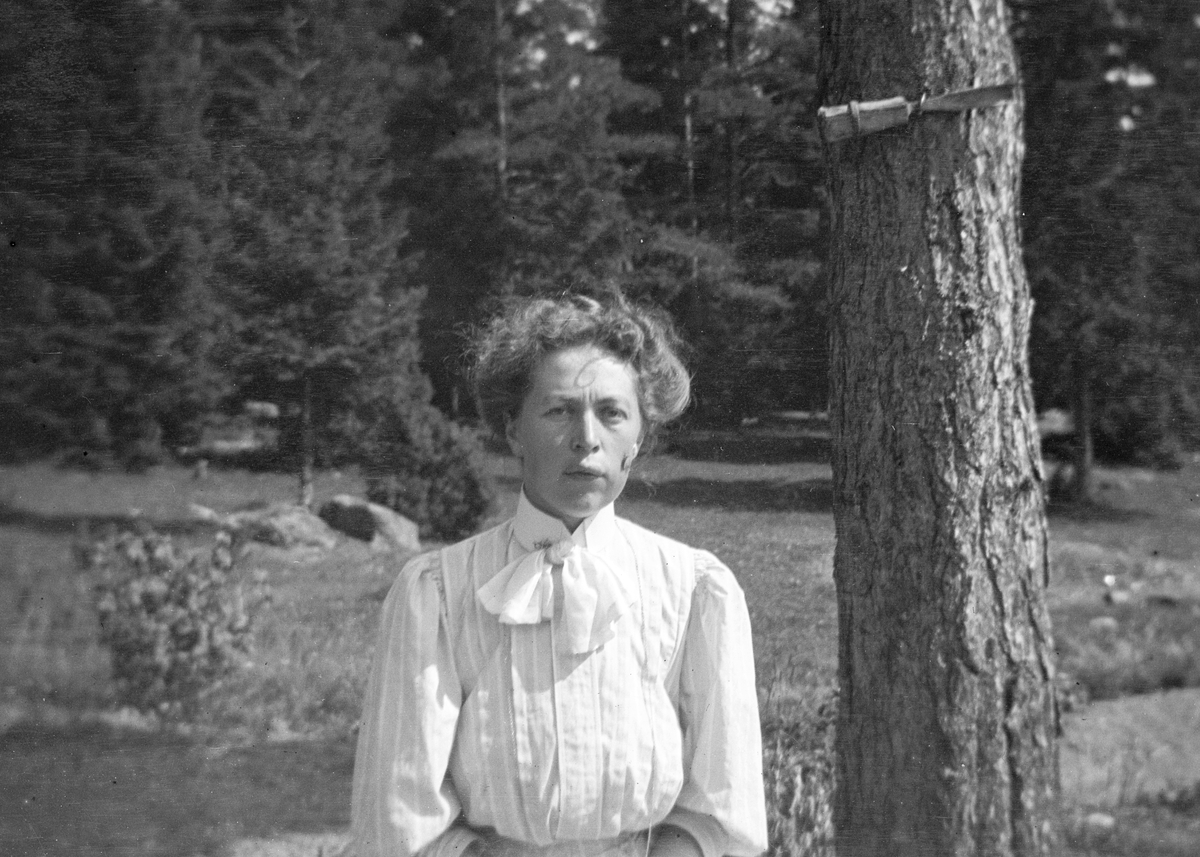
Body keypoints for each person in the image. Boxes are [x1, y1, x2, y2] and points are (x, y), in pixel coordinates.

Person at [351, 294, 767, 857]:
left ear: (638, 439)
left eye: (612, 413)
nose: (586, 437)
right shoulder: (439, 591)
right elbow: (400, 814)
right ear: (513, 431)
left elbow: (722, 805)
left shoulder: (694, 589)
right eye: (559, 411)